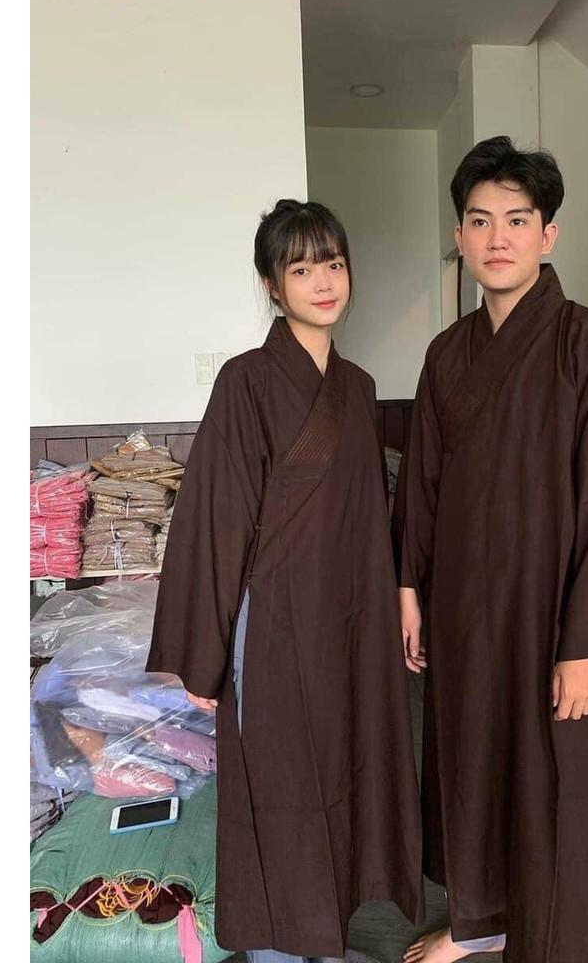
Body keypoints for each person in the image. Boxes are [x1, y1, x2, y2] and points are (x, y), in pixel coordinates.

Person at [393, 137, 588, 963]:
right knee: (474, 760)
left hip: (553, 612)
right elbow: (422, 484)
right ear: (460, 237)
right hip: (466, 609)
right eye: (479, 221)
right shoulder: (447, 356)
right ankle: (479, 921)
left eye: (517, 220)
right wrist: (410, 589)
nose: (498, 238)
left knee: (554, 774)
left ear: (548, 233)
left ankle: (557, 934)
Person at [147, 199, 423, 963]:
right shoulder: (245, 382)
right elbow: (217, 518)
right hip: (270, 620)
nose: (323, 282)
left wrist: (393, 609)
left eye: (333, 264)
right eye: (302, 269)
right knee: (279, 781)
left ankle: (326, 938)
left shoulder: (358, 388)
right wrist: (206, 653)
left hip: (350, 618)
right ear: (273, 284)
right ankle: (277, 948)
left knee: (343, 771)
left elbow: (369, 518)